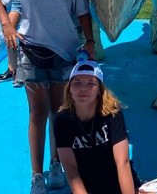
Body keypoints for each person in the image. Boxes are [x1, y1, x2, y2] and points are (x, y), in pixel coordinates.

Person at [0, 0, 96, 194]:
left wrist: (90, 41)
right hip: (32, 50)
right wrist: (7, 26)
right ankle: (36, 174)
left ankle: (56, 165)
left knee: (59, 113)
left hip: (64, 52)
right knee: (37, 112)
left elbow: (83, 11)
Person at [53, 61, 142, 194]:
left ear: (100, 90)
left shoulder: (113, 113)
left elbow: (122, 163)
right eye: (77, 83)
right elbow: (71, 171)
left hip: (117, 179)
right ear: (69, 89)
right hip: (88, 186)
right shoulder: (62, 120)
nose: (83, 88)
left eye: (91, 83)